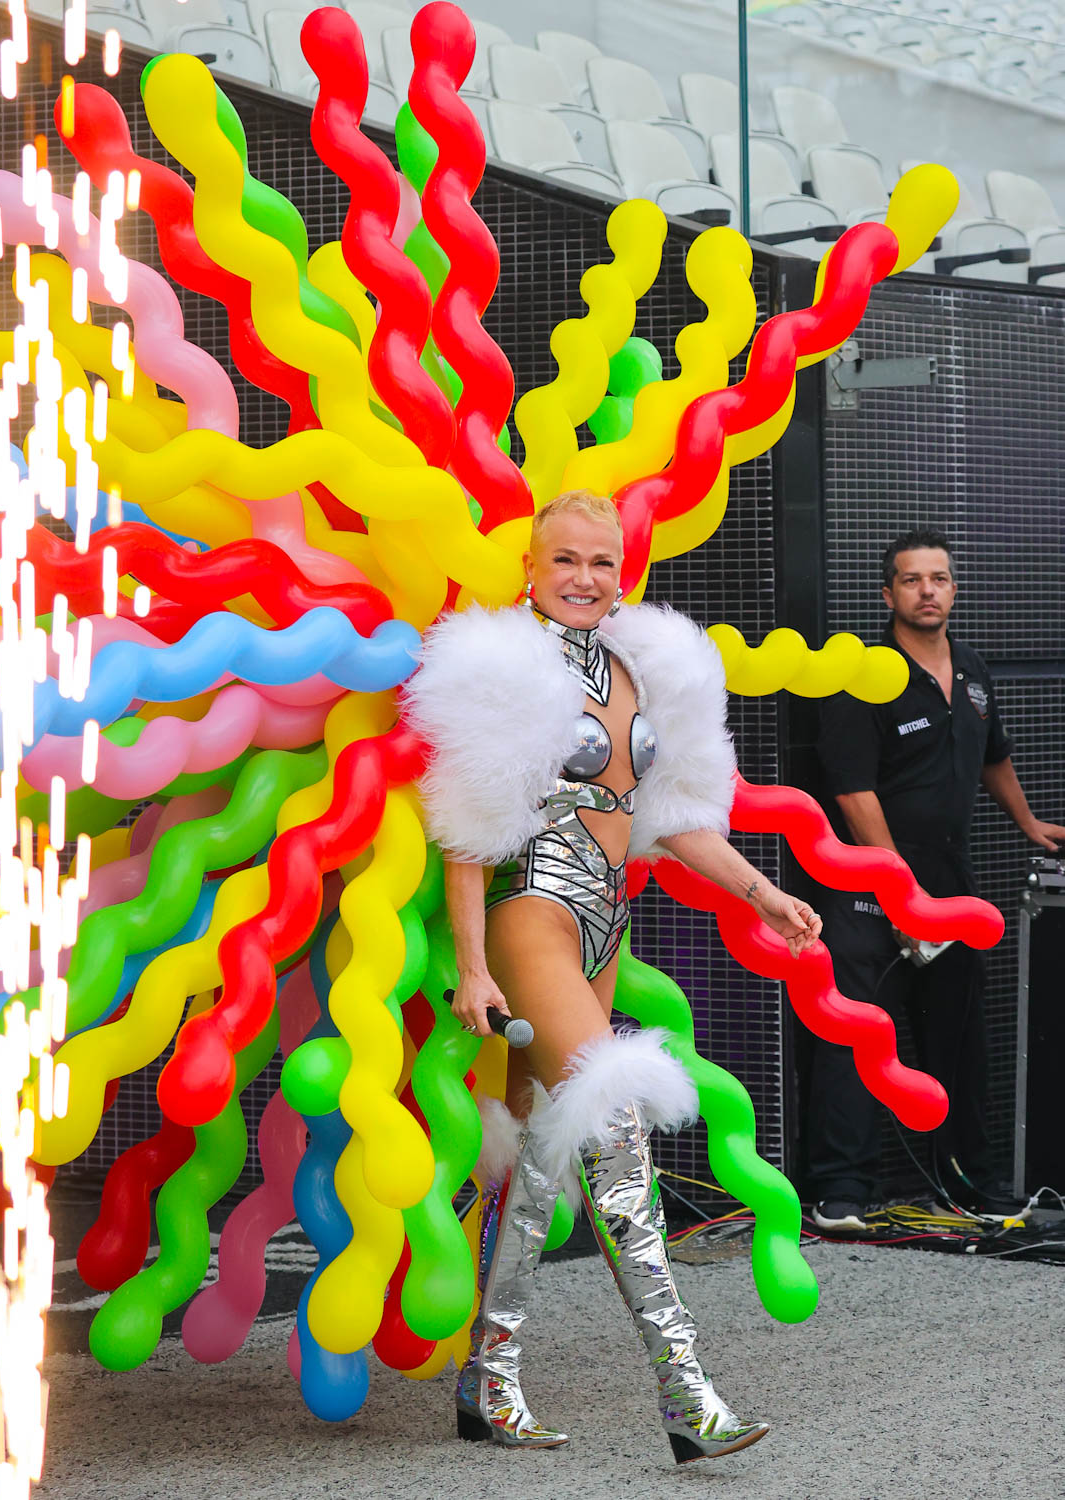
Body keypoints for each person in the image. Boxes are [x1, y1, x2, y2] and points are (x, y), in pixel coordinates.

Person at [403, 490, 822, 1464]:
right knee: (615, 1126)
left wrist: (762, 891)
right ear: (532, 569)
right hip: (532, 912)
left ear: (624, 569)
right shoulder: (501, 663)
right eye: (565, 561)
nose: (585, 577)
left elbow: (669, 815)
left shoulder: (645, 665)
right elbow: (467, 830)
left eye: (601, 561)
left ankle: (488, 1380)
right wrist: (471, 965)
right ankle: (687, 1394)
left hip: (606, 924)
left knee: (539, 1157)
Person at [806, 527, 1065, 1233]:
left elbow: (993, 756)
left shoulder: (973, 671)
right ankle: (840, 1192)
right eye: (912, 580)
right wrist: (895, 889)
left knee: (957, 1035)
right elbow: (854, 792)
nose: (927, 591)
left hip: (950, 880)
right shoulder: (858, 671)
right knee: (861, 1031)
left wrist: (1028, 822)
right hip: (867, 881)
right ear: (887, 593)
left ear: (953, 589)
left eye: (939, 579)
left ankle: (970, 1185)